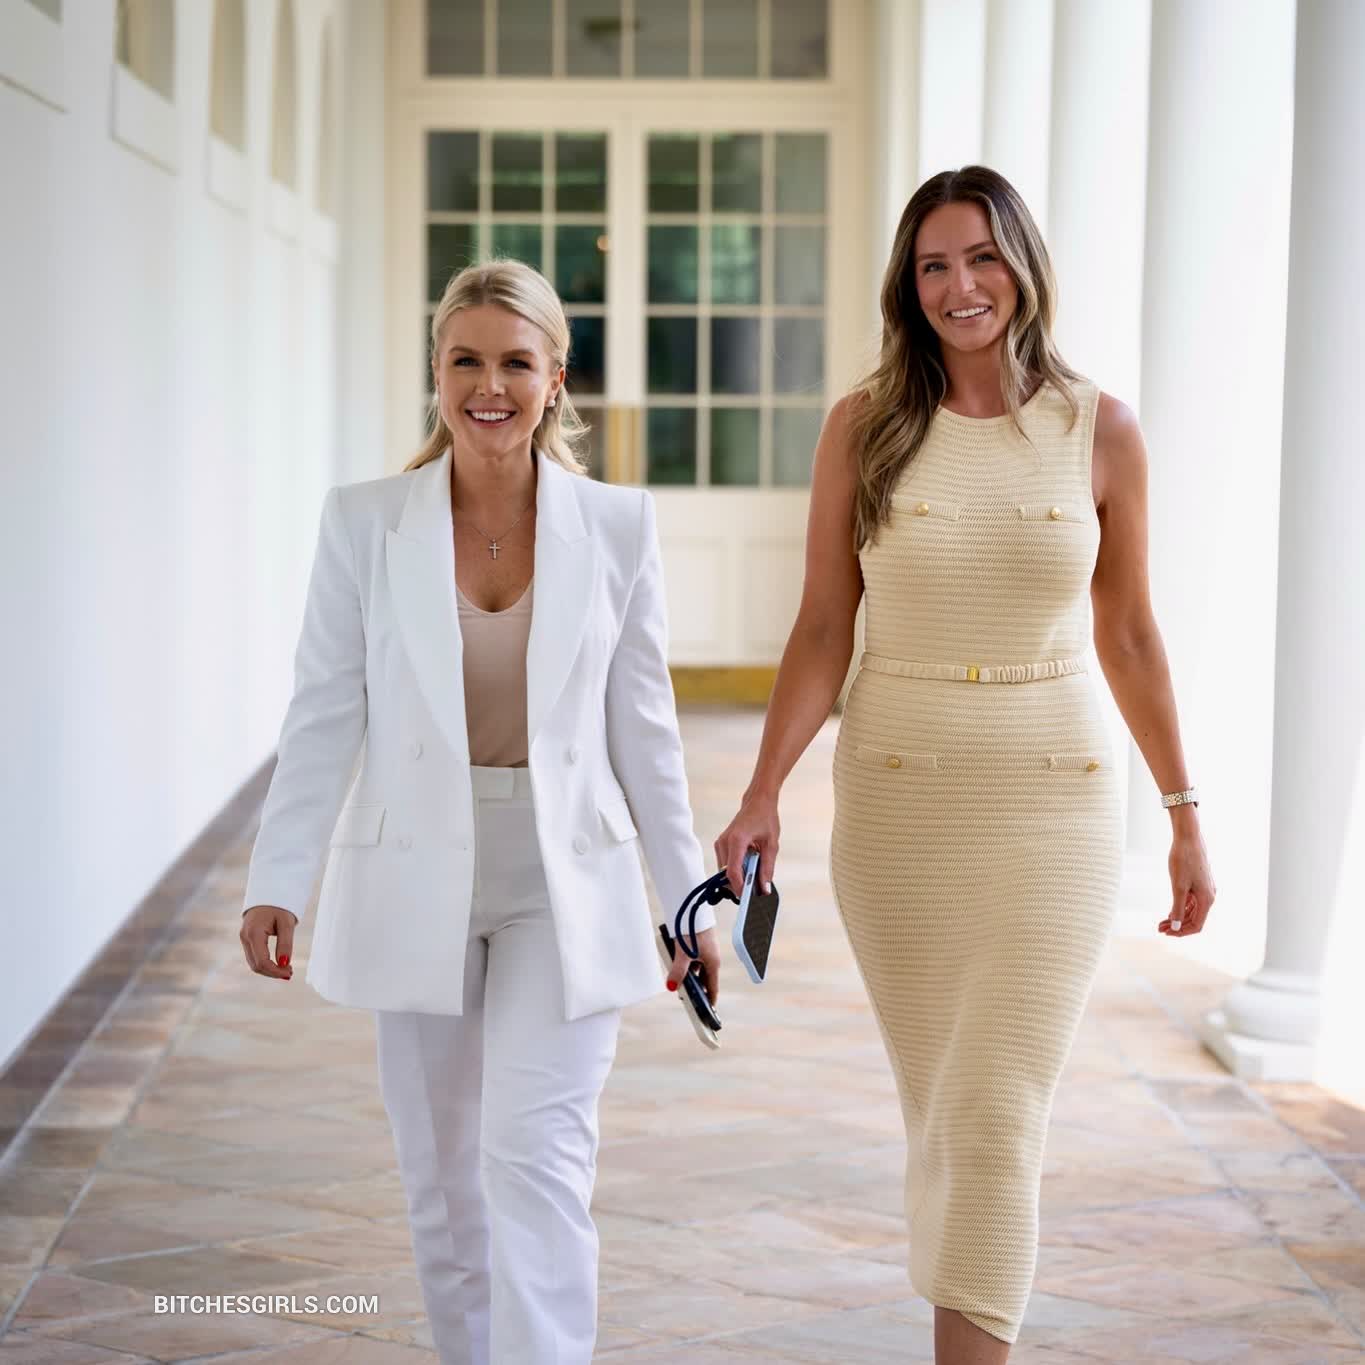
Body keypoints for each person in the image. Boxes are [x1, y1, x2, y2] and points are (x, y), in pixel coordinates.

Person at [713, 166, 1216, 1362]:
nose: (961, 286)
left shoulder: (1102, 429)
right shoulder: (865, 427)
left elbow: (1129, 633)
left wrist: (1184, 811)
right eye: (934, 266)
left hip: (1058, 807)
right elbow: (824, 625)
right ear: (910, 286)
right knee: (945, 1107)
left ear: (1023, 266)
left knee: (996, 1112)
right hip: (900, 810)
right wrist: (763, 788)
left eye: (982, 257)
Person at [238, 258, 721, 1365]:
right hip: (414, 870)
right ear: (437, 372)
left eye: (515, 362)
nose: (488, 385)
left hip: (563, 876)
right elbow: (324, 710)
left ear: (557, 379)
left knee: (534, 1155)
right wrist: (278, 878)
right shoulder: (364, 523)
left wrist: (685, 895)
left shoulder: (618, 526)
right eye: (465, 360)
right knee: (445, 1176)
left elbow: (644, 729)